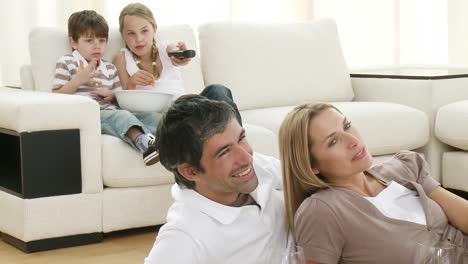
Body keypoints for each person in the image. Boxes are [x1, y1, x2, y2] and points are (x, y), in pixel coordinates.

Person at [278, 102, 468, 264]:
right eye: (333, 141)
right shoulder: (321, 211)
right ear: (311, 165)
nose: (353, 140)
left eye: (347, 126)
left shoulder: (404, 168)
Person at [144, 95, 288, 263]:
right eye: (224, 152)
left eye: (241, 138)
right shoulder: (184, 237)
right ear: (191, 172)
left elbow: (309, 177)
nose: (246, 157)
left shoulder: (256, 166)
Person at [52, 10, 160, 166]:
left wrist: (112, 95)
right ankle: (145, 145)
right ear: (73, 42)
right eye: (89, 41)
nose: (97, 46)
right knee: (122, 117)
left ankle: (167, 141)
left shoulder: (109, 68)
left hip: (111, 111)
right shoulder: (67, 62)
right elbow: (55, 96)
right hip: (88, 115)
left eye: (102, 40)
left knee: (152, 117)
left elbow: (120, 100)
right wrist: (77, 80)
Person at [113, 2, 242, 124]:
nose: (139, 39)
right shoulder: (122, 58)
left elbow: (174, 51)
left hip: (185, 108)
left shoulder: (165, 49)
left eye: (144, 31)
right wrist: (132, 83)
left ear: (154, 29)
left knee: (217, 90)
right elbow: (124, 99)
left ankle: (238, 140)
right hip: (160, 118)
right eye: (131, 33)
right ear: (123, 35)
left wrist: (181, 55)